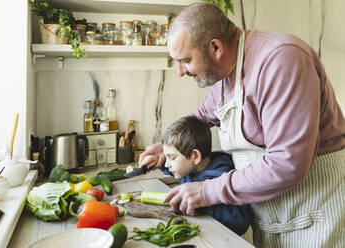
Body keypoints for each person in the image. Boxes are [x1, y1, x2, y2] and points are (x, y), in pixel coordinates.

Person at [139, 2, 345, 247]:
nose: (180, 72)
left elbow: (287, 163)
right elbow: (202, 116)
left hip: (315, 212)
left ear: (215, 47)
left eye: (185, 60)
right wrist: (167, 146)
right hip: (274, 217)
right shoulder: (227, 74)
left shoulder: (281, 59)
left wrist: (206, 191)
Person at [157, 115, 252, 236]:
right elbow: (179, 168)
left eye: (172, 158)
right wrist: (159, 163)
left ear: (194, 156)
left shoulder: (220, 177)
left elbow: (240, 221)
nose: (167, 164)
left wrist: (201, 205)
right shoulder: (191, 168)